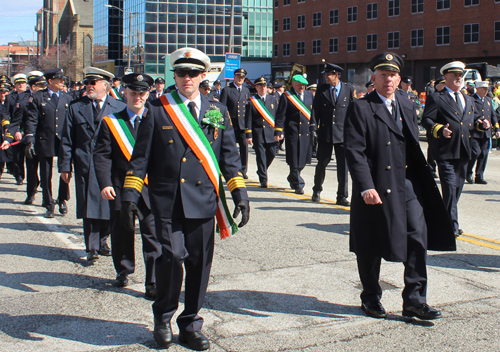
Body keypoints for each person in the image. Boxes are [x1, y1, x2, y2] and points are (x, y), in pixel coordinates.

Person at [121, 47, 250, 350]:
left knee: (199, 263)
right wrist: (130, 195)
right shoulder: (157, 108)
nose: (187, 78)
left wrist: (239, 194)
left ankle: (190, 322)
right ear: (174, 76)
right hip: (167, 202)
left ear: (204, 76)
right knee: (171, 258)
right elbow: (139, 159)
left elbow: (229, 156)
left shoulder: (216, 110)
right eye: (181, 72)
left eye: (193, 73)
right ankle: (163, 316)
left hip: (203, 200)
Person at [344, 51, 456, 322]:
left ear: (398, 78)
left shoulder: (406, 103)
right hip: (376, 186)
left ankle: (415, 301)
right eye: (383, 75)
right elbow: (354, 152)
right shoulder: (361, 107)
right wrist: (365, 187)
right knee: (371, 244)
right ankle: (370, 297)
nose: (388, 80)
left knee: (418, 238)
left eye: (392, 75)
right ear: (374, 78)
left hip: (407, 183)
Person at [94, 73, 161, 297]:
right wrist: (104, 183)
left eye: (142, 93)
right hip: (120, 186)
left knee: (153, 233)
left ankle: (152, 280)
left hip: (150, 188)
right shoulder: (112, 122)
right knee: (123, 230)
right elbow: (102, 156)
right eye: (133, 93)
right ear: (125, 92)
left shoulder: (159, 120)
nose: (137, 97)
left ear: (148, 94)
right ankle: (123, 270)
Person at [59, 67, 127, 261]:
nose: (88, 86)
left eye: (93, 83)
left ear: (105, 85)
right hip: (85, 163)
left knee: (108, 204)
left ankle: (104, 240)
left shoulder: (119, 107)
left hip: (109, 165)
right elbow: (67, 139)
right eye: (87, 82)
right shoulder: (76, 107)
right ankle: (92, 246)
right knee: (88, 205)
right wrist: (65, 166)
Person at [422, 61, 479, 238]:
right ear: (446, 77)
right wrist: (439, 130)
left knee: (456, 189)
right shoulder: (437, 98)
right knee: (449, 186)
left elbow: (472, 121)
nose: (458, 79)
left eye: (460, 76)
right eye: (454, 76)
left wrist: (481, 124)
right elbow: (426, 120)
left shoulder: (468, 98)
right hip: (445, 150)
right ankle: (452, 225)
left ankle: (442, 218)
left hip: (463, 150)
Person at [25, 68, 72, 218]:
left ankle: (62, 198)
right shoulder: (38, 97)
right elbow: (32, 120)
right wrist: (30, 139)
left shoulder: (67, 97)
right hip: (45, 139)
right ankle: (48, 202)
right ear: (50, 81)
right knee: (46, 174)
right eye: (60, 80)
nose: (62, 82)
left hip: (63, 140)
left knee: (66, 171)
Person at [310, 63, 355, 205]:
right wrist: (313, 127)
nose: (325, 77)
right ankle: (317, 190)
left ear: (336, 75)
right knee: (322, 163)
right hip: (326, 133)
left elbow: (353, 112)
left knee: (343, 167)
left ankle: (342, 196)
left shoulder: (348, 90)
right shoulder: (322, 90)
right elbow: (315, 110)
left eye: (328, 74)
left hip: (343, 135)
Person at [11, 72, 46, 204]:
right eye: (39, 85)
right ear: (32, 86)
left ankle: (46, 195)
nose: (43, 87)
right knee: (31, 168)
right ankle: (31, 193)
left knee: (45, 170)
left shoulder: (46, 98)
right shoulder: (24, 100)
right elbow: (17, 119)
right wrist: (18, 131)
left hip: (44, 139)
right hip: (29, 138)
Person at [275, 74, 314, 194]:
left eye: (303, 85)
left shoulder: (309, 95)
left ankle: (292, 176)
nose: (302, 87)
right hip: (293, 132)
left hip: (306, 132)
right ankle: (298, 184)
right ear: (293, 85)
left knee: (303, 159)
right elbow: (281, 115)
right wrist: (279, 130)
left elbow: (313, 113)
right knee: (294, 159)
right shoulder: (287, 97)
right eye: (299, 85)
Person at [245, 76, 280, 188]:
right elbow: (248, 119)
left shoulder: (273, 99)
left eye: (264, 86)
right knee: (260, 156)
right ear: (256, 87)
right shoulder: (252, 101)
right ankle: (263, 179)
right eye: (260, 86)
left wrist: (279, 131)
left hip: (270, 132)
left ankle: (261, 170)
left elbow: (278, 116)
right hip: (258, 132)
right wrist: (249, 135)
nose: (263, 88)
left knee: (272, 153)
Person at [466, 81, 500, 184]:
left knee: (484, 154)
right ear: (478, 89)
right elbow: (471, 114)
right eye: (484, 89)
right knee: (475, 152)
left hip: (486, 132)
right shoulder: (471, 99)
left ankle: (479, 176)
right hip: (475, 131)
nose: (486, 91)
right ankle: (468, 172)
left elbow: (493, 116)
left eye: (487, 89)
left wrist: (497, 129)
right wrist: (480, 119)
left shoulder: (488, 100)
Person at [220, 68, 250, 178]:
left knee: (244, 148)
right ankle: (229, 169)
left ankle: (243, 170)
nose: (240, 79)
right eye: (238, 77)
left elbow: (247, 108)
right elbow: (222, 108)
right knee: (230, 148)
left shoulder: (246, 91)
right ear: (234, 77)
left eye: (242, 77)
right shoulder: (227, 90)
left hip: (242, 125)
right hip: (231, 124)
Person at [4, 73, 29, 185]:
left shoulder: (30, 96)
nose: (21, 85)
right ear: (15, 85)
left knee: (31, 157)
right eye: (18, 83)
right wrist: (14, 130)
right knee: (17, 157)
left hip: (28, 130)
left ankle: (34, 179)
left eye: (23, 83)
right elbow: (6, 114)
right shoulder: (10, 97)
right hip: (15, 130)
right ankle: (19, 176)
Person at [426, 76, 446, 179]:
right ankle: (431, 168)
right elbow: (428, 116)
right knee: (432, 150)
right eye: (443, 84)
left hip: (445, 130)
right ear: (438, 86)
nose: (445, 86)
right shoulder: (433, 97)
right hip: (434, 129)